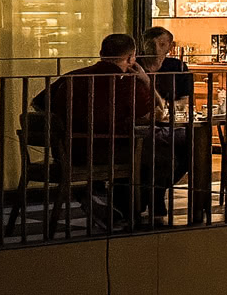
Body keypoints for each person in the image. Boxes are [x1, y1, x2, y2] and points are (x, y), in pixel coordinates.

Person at [35, 33, 190, 218]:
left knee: (162, 149)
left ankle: (127, 203)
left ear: (101, 53)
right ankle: (133, 206)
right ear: (132, 57)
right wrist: (147, 81)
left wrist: (63, 126)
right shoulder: (126, 82)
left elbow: (38, 103)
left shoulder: (73, 77)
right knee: (177, 146)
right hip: (109, 150)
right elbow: (158, 113)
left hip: (69, 152)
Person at [140, 26, 195, 106]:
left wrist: (164, 106)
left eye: (162, 45)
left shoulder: (178, 67)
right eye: (151, 45)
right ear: (143, 45)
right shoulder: (134, 66)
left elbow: (187, 101)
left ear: (170, 47)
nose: (156, 49)